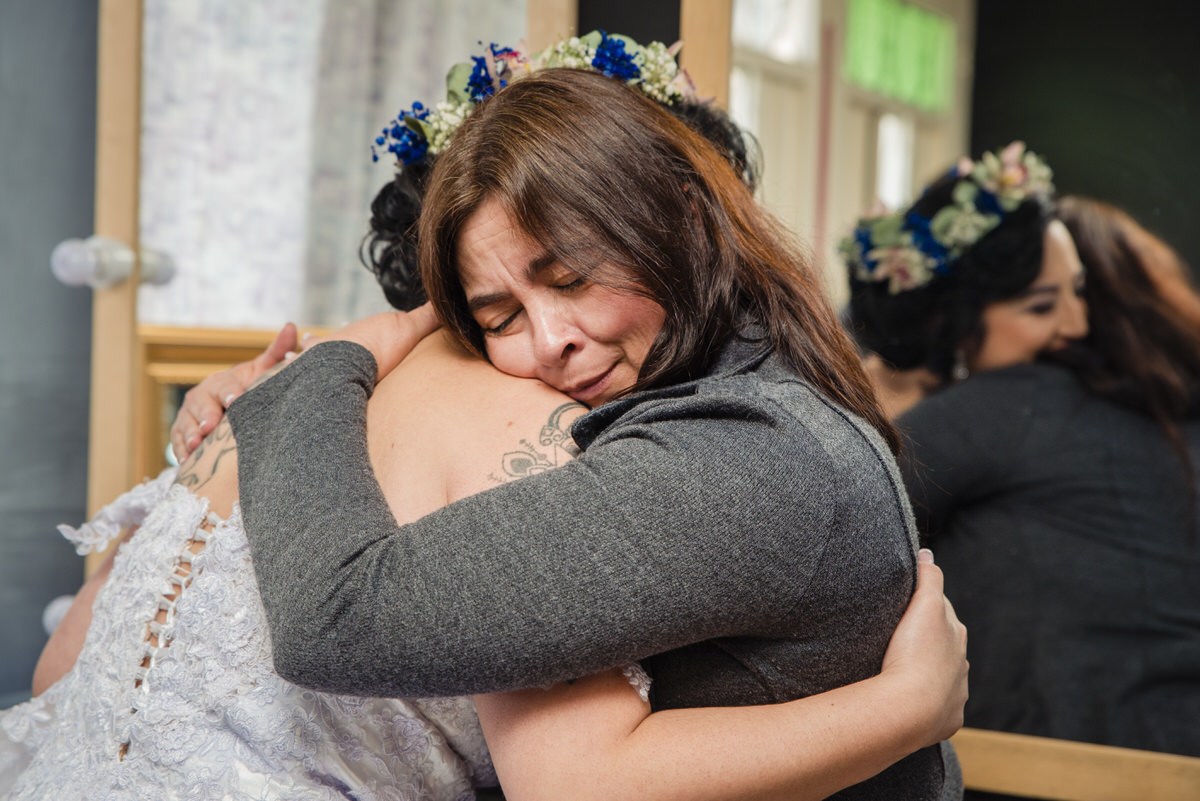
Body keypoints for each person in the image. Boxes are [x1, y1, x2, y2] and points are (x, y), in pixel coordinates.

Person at [3, 37, 967, 801]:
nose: (550, 341)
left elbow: (75, 669)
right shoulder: (595, 417)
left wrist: (316, 369)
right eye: (500, 314)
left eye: (572, 275)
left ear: (677, 212)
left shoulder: (735, 448)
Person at [844, 147, 1200, 758]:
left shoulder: (1017, 403)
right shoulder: (1141, 409)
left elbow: (825, 524)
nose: (1076, 325)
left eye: (1079, 294)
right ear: (957, 318)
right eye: (1041, 305)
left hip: (1052, 768)